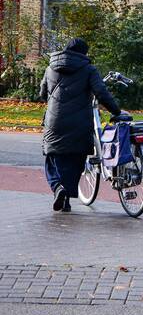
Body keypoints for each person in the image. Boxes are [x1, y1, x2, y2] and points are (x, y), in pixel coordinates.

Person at [40, 38, 122, 212]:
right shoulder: (88, 69)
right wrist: (116, 111)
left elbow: (42, 93)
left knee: (52, 157)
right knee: (76, 159)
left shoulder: (50, 68)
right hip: (80, 122)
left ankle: (58, 189)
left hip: (55, 121)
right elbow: (101, 93)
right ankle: (66, 195)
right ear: (84, 53)